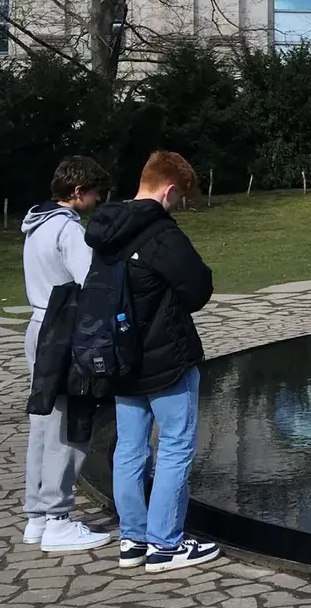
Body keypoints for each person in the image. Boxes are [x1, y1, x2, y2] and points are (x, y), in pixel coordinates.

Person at [85, 150, 220, 574]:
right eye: (179, 198)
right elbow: (198, 287)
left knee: (129, 448)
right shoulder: (161, 234)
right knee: (176, 446)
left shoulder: (106, 231)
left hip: (121, 357)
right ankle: (166, 544)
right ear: (169, 189)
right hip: (164, 357)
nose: (177, 205)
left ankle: (133, 539)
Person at [19, 156, 115, 554]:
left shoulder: (35, 224)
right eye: (94, 193)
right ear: (78, 192)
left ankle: (37, 516)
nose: (96, 201)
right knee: (68, 424)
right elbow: (90, 283)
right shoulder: (68, 231)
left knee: (42, 424)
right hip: (64, 330)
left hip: (39, 326)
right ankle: (58, 517)